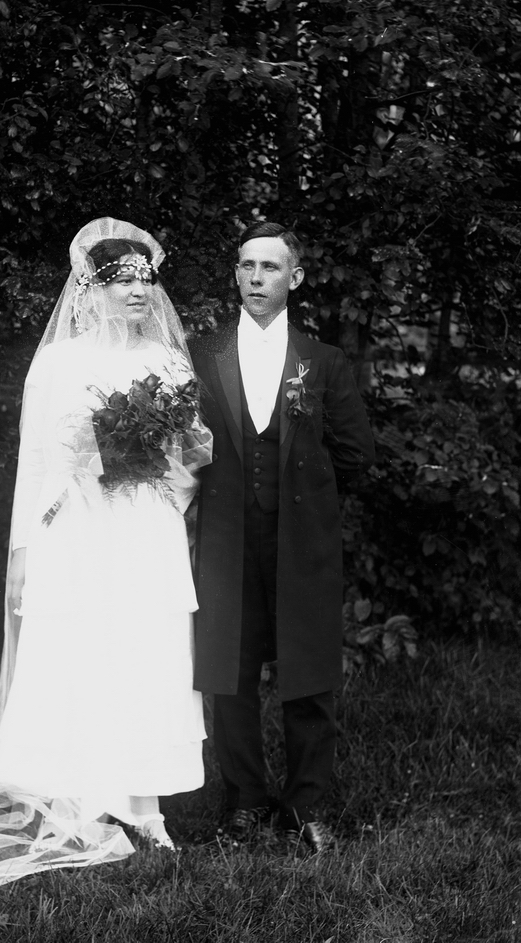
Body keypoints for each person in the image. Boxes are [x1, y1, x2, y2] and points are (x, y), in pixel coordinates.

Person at [0, 218, 212, 885]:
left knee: (142, 648)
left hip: (143, 525)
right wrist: (24, 549)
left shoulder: (167, 360)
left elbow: (189, 451)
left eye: (146, 279)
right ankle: (77, 792)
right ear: (90, 290)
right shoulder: (59, 363)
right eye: (123, 280)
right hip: (75, 525)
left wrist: (162, 478)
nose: (139, 291)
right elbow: (38, 463)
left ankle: (143, 804)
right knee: (80, 648)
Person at [190, 220, 375, 853]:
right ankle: (244, 801)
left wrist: (306, 497)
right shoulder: (204, 354)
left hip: (302, 540)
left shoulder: (323, 361)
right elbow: (184, 445)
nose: (256, 277)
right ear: (236, 276)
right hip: (226, 540)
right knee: (231, 673)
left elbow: (355, 452)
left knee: (309, 673)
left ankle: (305, 806)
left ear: (294, 278)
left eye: (269, 267)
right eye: (246, 266)